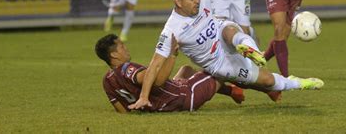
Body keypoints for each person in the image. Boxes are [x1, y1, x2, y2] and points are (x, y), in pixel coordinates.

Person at [129, 0, 324, 110]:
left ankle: (251, 51)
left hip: (222, 34)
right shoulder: (171, 30)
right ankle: (299, 83)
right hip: (219, 64)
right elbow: (155, 64)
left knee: (229, 30)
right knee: (267, 81)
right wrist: (144, 97)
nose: (197, 1)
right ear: (178, 2)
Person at [95, 34, 245, 113]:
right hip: (184, 97)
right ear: (114, 55)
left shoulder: (107, 80)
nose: (126, 48)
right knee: (218, 68)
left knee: (186, 69)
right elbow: (158, 81)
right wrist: (172, 55)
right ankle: (261, 84)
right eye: (121, 46)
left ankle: (232, 91)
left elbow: (122, 111)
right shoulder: (127, 69)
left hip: (163, 102)